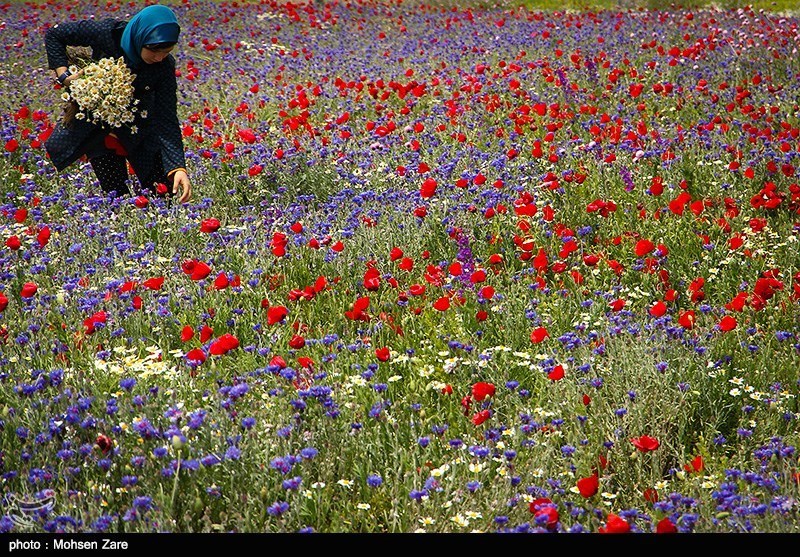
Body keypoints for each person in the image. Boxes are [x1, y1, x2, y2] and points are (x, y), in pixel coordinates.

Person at [44, 5, 191, 202]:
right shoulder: (108, 34)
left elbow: (166, 117)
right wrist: (64, 76)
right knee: (117, 199)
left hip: (140, 132)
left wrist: (178, 167)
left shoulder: (164, 66)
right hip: (101, 131)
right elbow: (54, 35)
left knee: (162, 197)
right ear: (140, 38)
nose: (158, 57)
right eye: (154, 50)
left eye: (166, 52)